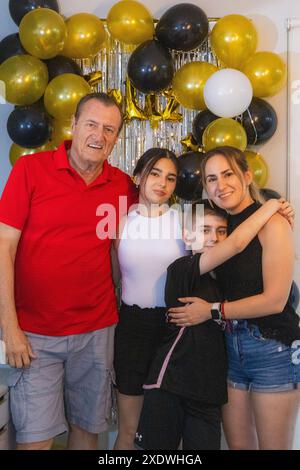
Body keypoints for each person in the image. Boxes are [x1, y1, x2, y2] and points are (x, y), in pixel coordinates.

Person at [0, 92, 138, 450]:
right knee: (35, 439)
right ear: (73, 125)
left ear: (116, 137)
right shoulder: (30, 170)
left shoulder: (122, 186)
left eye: (110, 129)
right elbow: (3, 248)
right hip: (34, 335)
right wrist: (10, 328)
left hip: (96, 330)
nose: (99, 135)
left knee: (87, 431)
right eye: (91, 124)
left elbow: (141, 245)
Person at [168, 146, 300, 450]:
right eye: (211, 178)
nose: (220, 184)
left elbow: (275, 301)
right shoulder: (223, 226)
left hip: (273, 347)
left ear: (247, 175)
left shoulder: (273, 222)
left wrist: (212, 311)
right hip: (230, 347)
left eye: (228, 174)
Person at [134, 197, 290, 450]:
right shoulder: (181, 269)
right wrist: (270, 207)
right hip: (171, 384)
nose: (213, 238)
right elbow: (237, 244)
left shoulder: (225, 283)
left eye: (221, 231)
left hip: (208, 393)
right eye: (204, 230)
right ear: (187, 236)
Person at [113, 147, 186, 450]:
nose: (162, 183)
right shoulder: (119, 221)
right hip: (131, 326)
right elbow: (115, 278)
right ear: (138, 176)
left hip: (173, 329)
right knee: (128, 431)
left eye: (170, 177)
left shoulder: (185, 221)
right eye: (155, 173)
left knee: (164, 434)